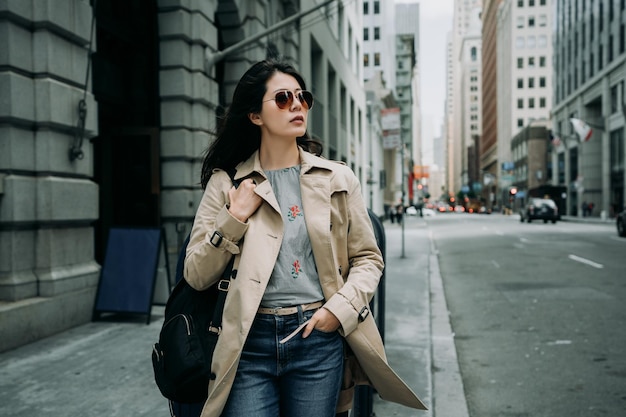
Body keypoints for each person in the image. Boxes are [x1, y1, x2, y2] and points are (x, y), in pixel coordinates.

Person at [181, 59, 426, 417]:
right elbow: (195, 273)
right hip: (247, 344)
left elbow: (368, 259)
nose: (297, 105)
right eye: (282, 98)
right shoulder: (227, 184)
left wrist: (336, 311)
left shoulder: (337, 179)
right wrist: (234, 218)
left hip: (317, 338)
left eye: (302, 97)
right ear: (255, 116)